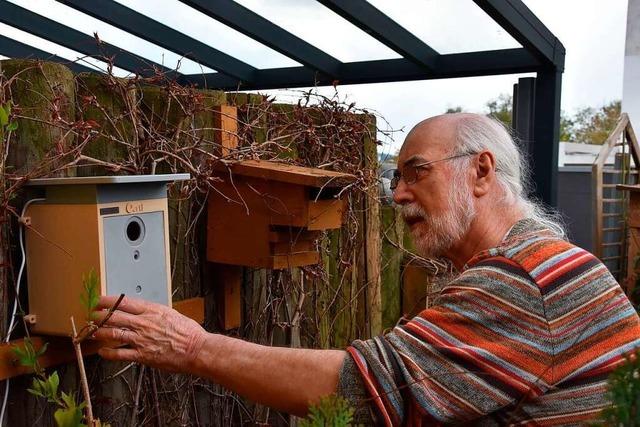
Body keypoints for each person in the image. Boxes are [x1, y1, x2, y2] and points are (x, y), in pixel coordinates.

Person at [93, 113, 640, 425]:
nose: (397, 194)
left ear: (480, 171)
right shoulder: (542, 261)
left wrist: (195, 349)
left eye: (416, 173)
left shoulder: (523, 278)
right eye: (396, 177)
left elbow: (363, 385)